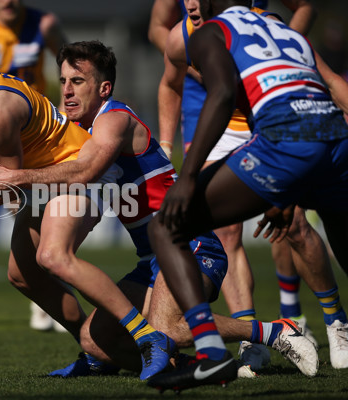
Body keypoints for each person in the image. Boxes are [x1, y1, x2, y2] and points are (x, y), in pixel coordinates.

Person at [0, 40, 318, 379]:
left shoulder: (114, 120)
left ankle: (274, 331)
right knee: (92, 339)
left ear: (104, 88)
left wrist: (14, 176)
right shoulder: (78, 132)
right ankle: (174, 365)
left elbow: (83, 172)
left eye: (78, 81)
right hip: (152, 260)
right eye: (64, 80)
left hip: (191, 244)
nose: (66, 90)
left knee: (167, 328)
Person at [0, 24, 198, 381]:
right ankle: (95, 353)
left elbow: (4, 190)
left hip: (74, 171)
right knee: (22, 275)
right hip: (42, 175)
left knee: (53, 256)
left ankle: (148, 338)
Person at [147, 0, 348, 392]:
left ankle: (211, 354)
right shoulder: (287, 32)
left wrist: (188, 177)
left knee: (166, 226)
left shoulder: (210, 31)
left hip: (287, 141)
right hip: (336, 139)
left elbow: (221, 95)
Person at [0, 0, 68, 331]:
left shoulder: (45, 24)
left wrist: (67, 109)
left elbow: (73, 65)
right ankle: (48, 294)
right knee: (20, 205)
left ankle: (50, 295)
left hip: (39, 132)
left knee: (33, 210)